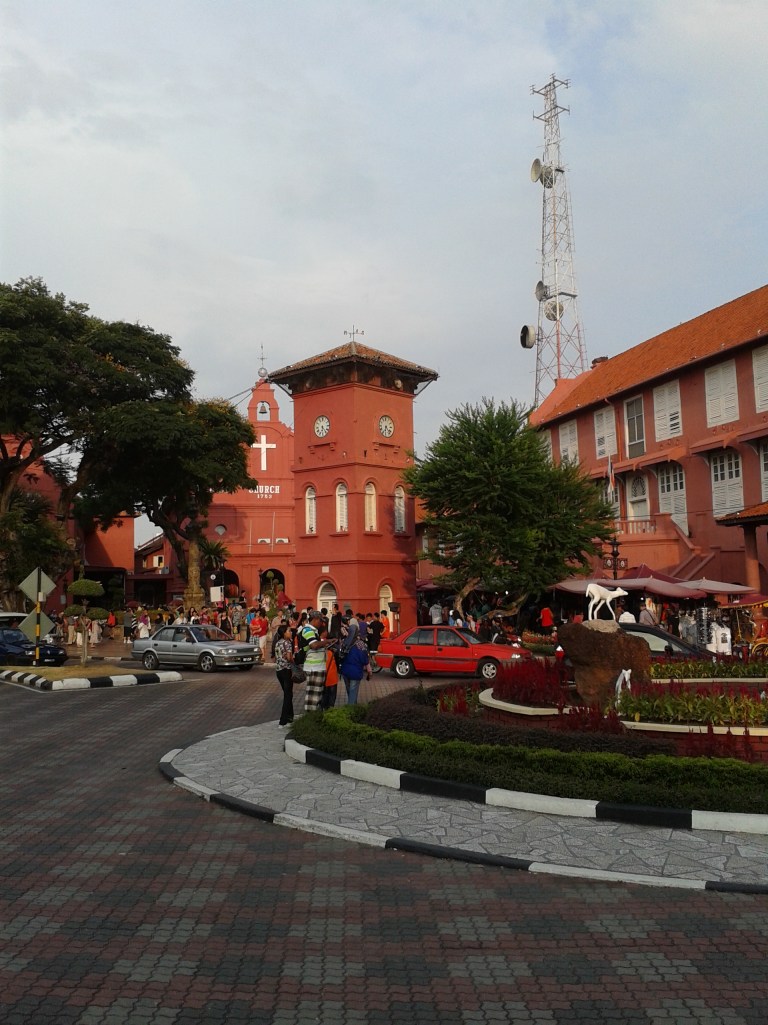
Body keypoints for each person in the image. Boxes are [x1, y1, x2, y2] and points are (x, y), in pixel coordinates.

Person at [301, 611, 331, 712]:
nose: (321, 624)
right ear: (315, 619)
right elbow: (313, 645)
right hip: (314, 667)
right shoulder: (308, 630)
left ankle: (312, 716)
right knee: (313, 696)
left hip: (317, 666)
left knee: (316, 694)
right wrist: (326, 642)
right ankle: (311, 718)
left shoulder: (314, 631)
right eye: (320, 621)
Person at [340, 634, 372, 706]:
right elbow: (364, 659)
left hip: (345, 671)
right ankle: (351, 710)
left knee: (350, 692)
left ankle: (353, 705)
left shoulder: (345, 643)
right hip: (355, 672)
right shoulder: (361, 645)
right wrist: (369, 671)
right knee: (353, 692)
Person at [273, 623, 295, 727]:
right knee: (288, 695)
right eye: (289, 631)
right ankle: (283, 721)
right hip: (286, 670)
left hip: (279, 671)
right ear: (284, 633)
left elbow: (277, 657)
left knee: (288, 694)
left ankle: (290, 717)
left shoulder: (277, 643)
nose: (291, 633)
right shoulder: (287, 643)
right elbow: (290, 658)